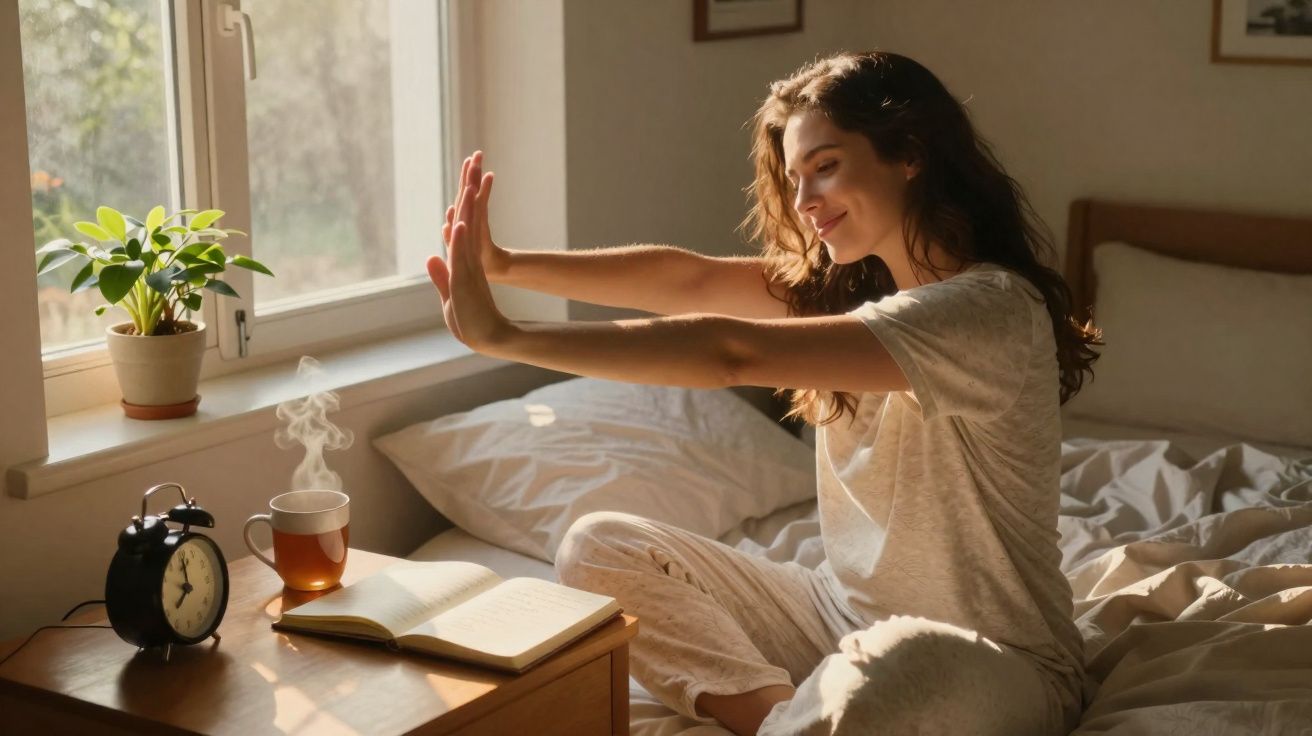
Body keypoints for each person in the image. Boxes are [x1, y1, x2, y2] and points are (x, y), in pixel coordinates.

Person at [427, 50, 1100, 736]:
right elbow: (687, 283)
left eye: (826, 166)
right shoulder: (856, 294)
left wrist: (508, 337)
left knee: (899, 668)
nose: (805, 202)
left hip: (1000, 663)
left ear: (910, 154)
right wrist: (502, 264)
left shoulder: (990, 310)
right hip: (839, 615)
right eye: (795, 177)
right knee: (598, 545)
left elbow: (729, 351)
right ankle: (780, 722)